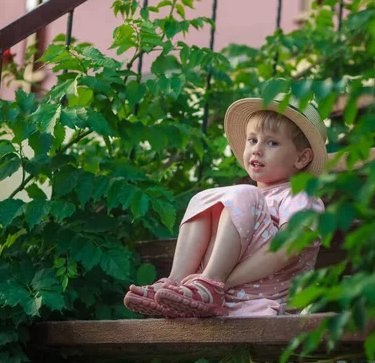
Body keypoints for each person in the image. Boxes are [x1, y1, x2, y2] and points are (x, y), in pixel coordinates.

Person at [124, 97, 328, 317]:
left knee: (243, 193)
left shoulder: (302, 196)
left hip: (267, 297)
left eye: (272, 143)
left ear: (302, 157)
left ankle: (209, 284)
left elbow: (286, 250)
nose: (257, 150)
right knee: (205, 199)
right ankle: (175, 284)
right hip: (224, 294)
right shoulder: (247, 199)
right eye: (252, 140)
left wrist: (221, 280)